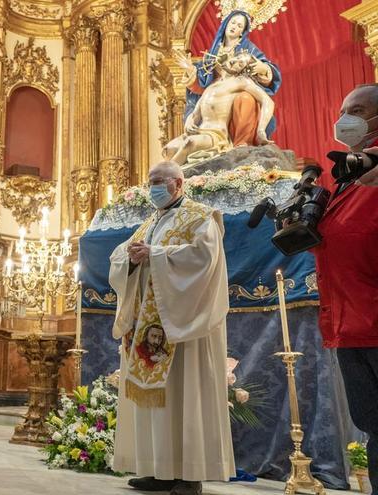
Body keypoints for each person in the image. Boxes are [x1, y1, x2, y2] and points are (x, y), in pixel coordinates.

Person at [109, 161, 235, 495]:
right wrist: (132, 258)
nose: (152, 188)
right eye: (149, 182)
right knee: (155, 403)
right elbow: (121, 256)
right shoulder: (151, 221)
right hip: (150, 323)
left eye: (158, 181)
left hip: (183, 325)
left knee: (184, 395)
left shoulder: (201, 216)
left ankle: (189, 474)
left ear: (178, 184)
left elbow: (204, 259)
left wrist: (156, 254)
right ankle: (159, 470)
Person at [312, 84, 378, 491]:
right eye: (341, 110)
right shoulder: (349, 176)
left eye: (356, 110)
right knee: (373, 425)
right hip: (351, 324)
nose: (344, 119)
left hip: (370, 316)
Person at [174, 10, 281, 146]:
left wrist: (263, 68)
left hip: (238, 90)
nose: (234, 26)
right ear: (226, 24)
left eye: (239, 26)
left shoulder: (249, 49)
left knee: (245, 99)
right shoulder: (212, 53)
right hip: (218, 96)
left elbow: (265, 68)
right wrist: (190, 70)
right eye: (233, 22)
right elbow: (202, 87)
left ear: (242, 32)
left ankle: (242, 143)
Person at [164, 51, 274, 166]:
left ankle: (167, 176)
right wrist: (190, 120)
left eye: (240, 64)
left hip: (216, 136)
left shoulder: (241, 81)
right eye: (237, 57)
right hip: (198, 131)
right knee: (168, 149)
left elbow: (267, 101)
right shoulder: (212, 85)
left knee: (189, 143)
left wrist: (261, 130)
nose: (234, 61)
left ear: (243, 71)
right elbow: (196, 113)